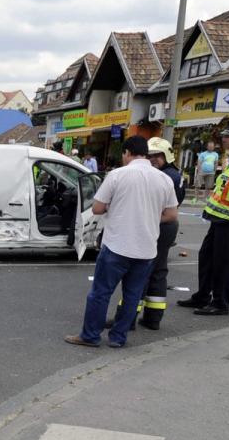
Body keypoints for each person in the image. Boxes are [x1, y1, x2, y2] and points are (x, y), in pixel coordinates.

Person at [65, 136, 179, 348]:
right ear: (146, 153)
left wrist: (117, 208)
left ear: (127, 152)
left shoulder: (117, 175)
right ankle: (118, 338)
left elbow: (98, 208)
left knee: (101, 293)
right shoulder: (164, 179)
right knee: (133, 295)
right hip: (146, 249)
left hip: (117, 245)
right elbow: (171, 215)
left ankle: (90, 336)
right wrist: (151, 216)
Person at [178, 119, 229, 316]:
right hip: (219, 220)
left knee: (223, 263)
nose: (223, 138)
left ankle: (221, 303)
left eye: (228, 135)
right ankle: (203, 295)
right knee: (206, 257)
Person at [139, 138, 185, 330]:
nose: (153, 159)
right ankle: (153, 318)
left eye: (157, 156)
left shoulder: (165, 177)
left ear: (167, 156)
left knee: (140, 271)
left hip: (159, 224)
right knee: (158, 271)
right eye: (150, 156)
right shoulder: (172, 174)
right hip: (167, 225)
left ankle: (126, 317)